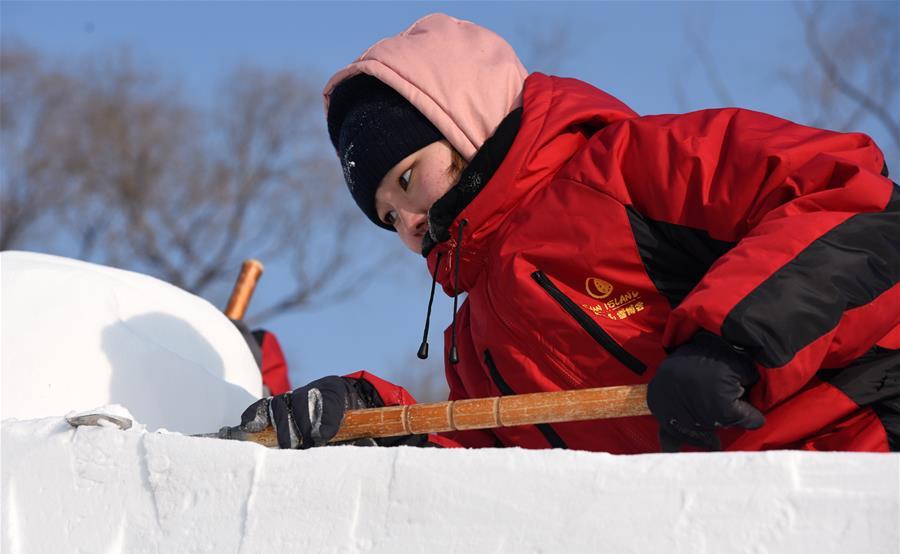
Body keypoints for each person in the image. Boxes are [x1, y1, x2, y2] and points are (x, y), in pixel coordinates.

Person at [240, 13, 899, 452]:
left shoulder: (633, 167)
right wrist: (370, 421)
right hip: (727, 537)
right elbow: (494, 478)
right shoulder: (474, 345)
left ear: (467, 123)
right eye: (386, 216)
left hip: (861, 444)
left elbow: (854, 204)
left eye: (408, 180)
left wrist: (731, 344)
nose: (408, 223)